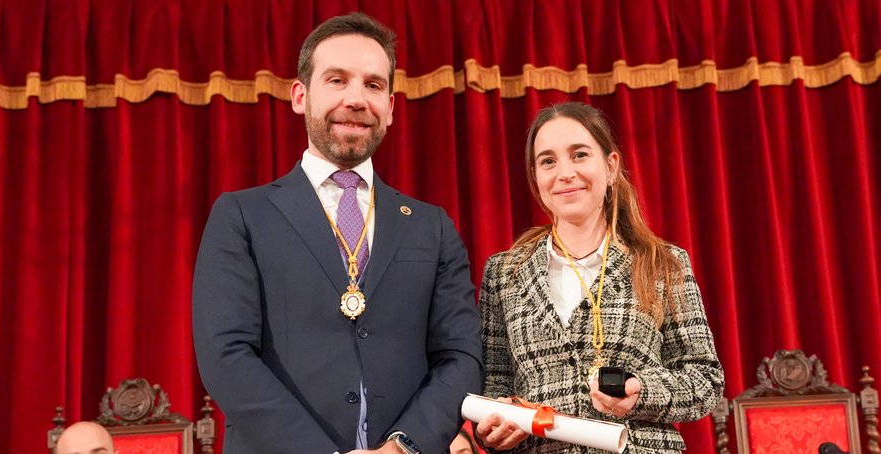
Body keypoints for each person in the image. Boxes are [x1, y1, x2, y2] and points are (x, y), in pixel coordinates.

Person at [192, 12, 483, 454]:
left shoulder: (432, 226)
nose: (357, 99)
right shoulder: (242, 216)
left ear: (390, 107)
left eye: (373, 85)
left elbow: (460, 357)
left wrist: (404, 446)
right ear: (300, 95)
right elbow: (225, 354)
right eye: (337, 80)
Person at [475, 102, 724, 453]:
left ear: (610, 167)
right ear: (536, 178)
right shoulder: (504, 273)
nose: (564, 173)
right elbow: (495, 384)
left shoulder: (664, 264)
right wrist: (493, 428)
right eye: (548, 161)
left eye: (579, 155)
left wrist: (642, 391)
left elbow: (705, 381)